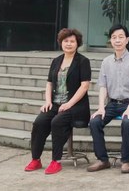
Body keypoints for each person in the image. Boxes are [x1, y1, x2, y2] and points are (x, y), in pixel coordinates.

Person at [25, 28, 92, 175]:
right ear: (61, 43)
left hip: (76, 106)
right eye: (65, 41)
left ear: (77, 43)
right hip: (55, 104)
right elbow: (49, 83)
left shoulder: (83, 61)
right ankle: (36, 159)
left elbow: (84, 86)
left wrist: (69, 104)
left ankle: (56, 161)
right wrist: (48, 101)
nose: (69, 44)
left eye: (72, 41)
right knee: (40, 122)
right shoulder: (56, 61)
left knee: (57, 122)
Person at [87, 25, 129, 173]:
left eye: (121, 37)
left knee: (127, 122)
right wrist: (101, 107)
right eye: (114, 37)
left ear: (127, 40)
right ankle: (102, 159)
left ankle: (126, 161)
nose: (117, 40)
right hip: (112, 103)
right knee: (95, 121)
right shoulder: (106, 62)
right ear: (110, 40)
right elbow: (103, 86)